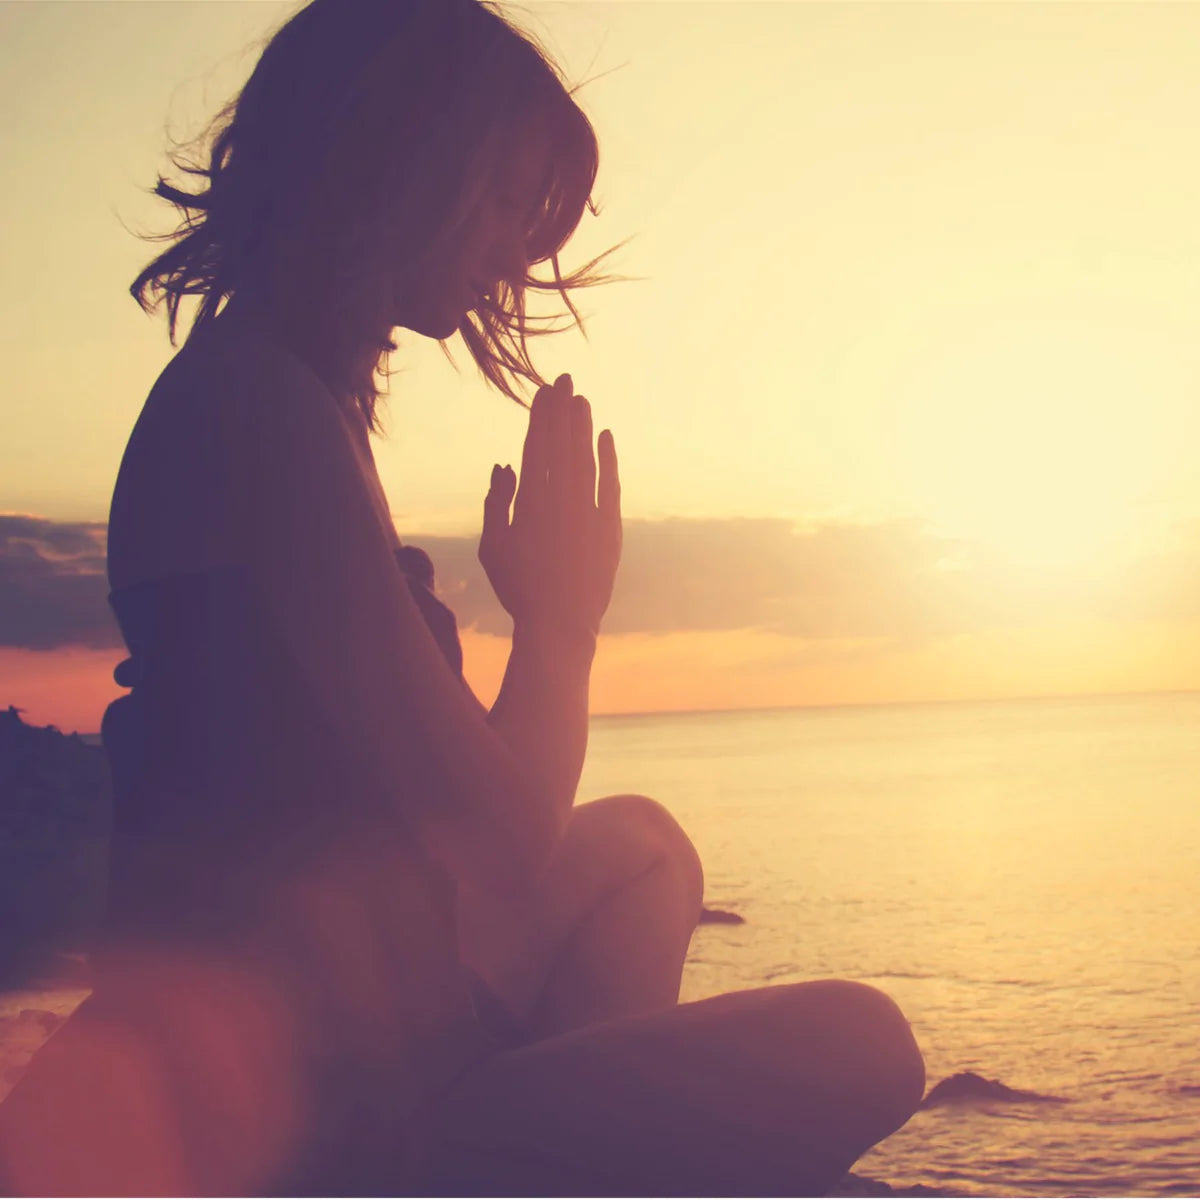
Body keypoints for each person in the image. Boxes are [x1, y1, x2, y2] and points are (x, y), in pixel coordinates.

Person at [0, 1, 924, 1193]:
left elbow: (446, 828)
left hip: (357, 1000)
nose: (522, 252)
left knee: (643, 849)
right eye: (504, 199)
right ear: (395, 162)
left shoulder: (287, 394)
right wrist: (559, 622)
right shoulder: (262, 416)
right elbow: (498, 837)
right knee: (867, 1043)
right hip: (310, 1102)